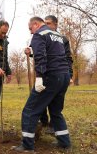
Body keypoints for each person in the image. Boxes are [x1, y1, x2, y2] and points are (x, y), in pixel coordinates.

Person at [13, 17, 71, 152]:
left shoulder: (39, 34)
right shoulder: (57, 35)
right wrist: (32, 51)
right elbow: (53, 53)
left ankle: (27, 146)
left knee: (30, 110)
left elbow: (41, 57)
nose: (30, 32)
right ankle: (65, 143)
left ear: (35, 24)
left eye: (30, 28)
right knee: (56, 112)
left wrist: (39, 77)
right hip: (64, 76)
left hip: (50, 77)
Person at [37, 15, 74, 134]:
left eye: (48, 23)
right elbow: (39, 53)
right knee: (41, 99)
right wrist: (30, 51)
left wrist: (70, 75)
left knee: (57, 103)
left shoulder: (63, 39)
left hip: (59, 75)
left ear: (55, 24)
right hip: (45, 74)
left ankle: (54, 126)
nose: (46, 25)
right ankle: (43, 122)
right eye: (45, 23)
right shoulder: (43, 36)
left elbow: (68, 58)